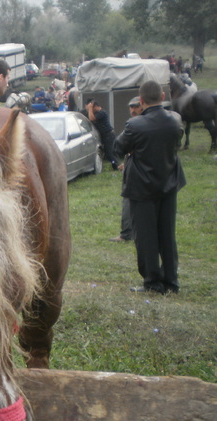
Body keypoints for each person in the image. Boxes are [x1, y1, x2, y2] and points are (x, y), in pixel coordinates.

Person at [115, 80, 186, 294]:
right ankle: (171, 282)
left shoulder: (135, 124)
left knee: (146, 237)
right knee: (167, 234)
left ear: (142, 100)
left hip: (142, 187)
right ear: (163, 96)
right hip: (168, 183)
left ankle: (153, 282)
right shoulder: (175, 122)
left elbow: (118, 147)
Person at [110, 97, 143, 242]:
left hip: (140, 170)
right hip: (135, 166)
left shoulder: (137, 124)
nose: (133, 110)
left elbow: (122, 147)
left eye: (136, 107)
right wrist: (127, 162)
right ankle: (128, 233)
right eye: (131, 107)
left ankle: (126, 234)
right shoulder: (138, 123)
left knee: (129, 201)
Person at [86, 99, 120, 170]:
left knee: (110, 153)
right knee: (109, 153)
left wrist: (89, 109)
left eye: (92, 108)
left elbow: (92, 118)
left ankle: (117, 166)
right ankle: (116, 165)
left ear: (95, 106)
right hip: (105, 136)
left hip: (109, 135)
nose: (91, 110)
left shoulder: (102, 113)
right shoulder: (97, 113)